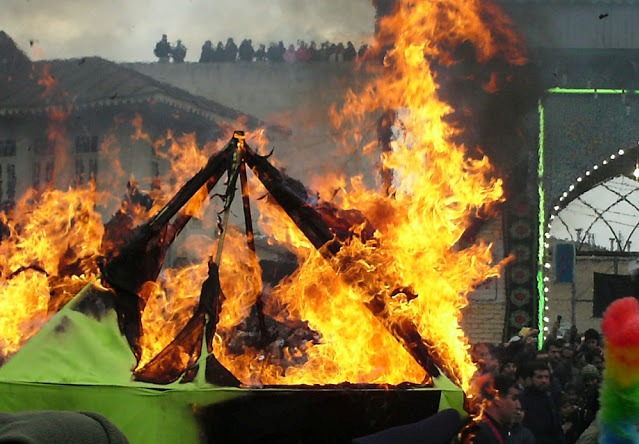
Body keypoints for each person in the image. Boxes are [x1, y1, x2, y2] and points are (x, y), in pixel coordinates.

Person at [458, 374, 521, 443]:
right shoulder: (477, 434)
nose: (519, 406)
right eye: (514, 399)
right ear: (497, 399)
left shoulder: (502, 430)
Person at [519, 360, 566, 443]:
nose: (544, 381)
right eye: (539, 377)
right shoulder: (523, 400)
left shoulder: (549, 397)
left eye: (546, 377)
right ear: (530, 379)